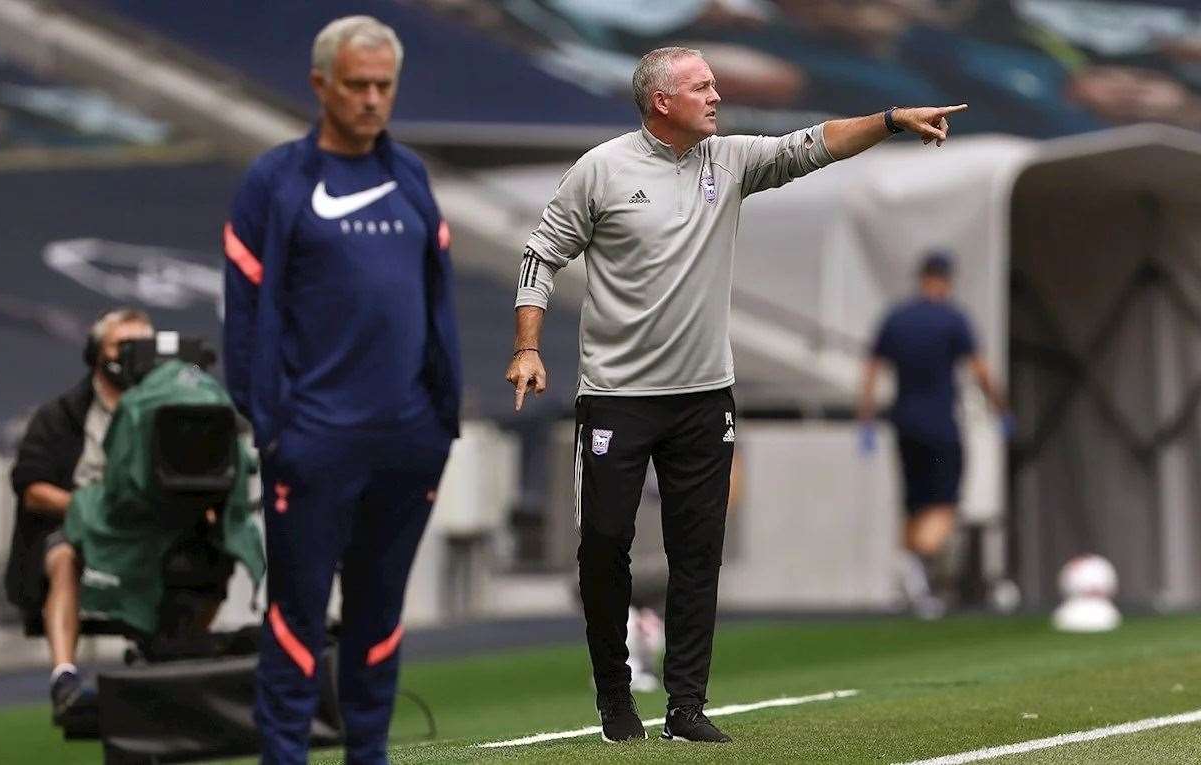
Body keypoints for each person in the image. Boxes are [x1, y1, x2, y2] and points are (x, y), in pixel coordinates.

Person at [504, 45, 966, 744]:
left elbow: (816, 145)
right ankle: (614, 699)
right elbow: (541, 252)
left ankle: (686, 706)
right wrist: (528, 347)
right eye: (703, 86)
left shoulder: (732, 159)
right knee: (603, 545)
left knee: (699, 552)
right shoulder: (600, 170)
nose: (717, 96)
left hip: (703, 398)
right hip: (617, 397)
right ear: (662, 101)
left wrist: (893, 119)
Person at [222, 15, 461, 765]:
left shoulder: (411, 176)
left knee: (380, 616)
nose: (370, 99)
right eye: (355, 84)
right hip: (314, 442)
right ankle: (285, 756)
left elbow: (437, 300)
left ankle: (369, 753)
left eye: (382, 85)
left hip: (409, 442)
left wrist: (440, 415)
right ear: (320, 84)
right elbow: (243, 316)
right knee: (295, 617)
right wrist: (273, 426)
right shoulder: (275, 182)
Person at [5, 307, 153, 723]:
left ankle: (174, 663)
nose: (131, 358)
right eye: (122, 347)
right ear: (96, 352)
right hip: (76, 526)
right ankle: (64, 677)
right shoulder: (60, 415)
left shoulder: (165, 411)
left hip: (146, 529)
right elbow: (31, 487)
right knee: (64, 557)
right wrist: (91, 509)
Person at [858, 252, 1010, 618]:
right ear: (946, 279)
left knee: (913, 504)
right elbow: (980, 371)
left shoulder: (896, 318)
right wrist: (1001, 409)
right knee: (945, 503)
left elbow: (872, 372)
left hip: (904, 424)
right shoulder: (953, 319)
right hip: (941, 425)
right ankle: (915, 564)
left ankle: (914, 584)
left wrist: (865, 420)